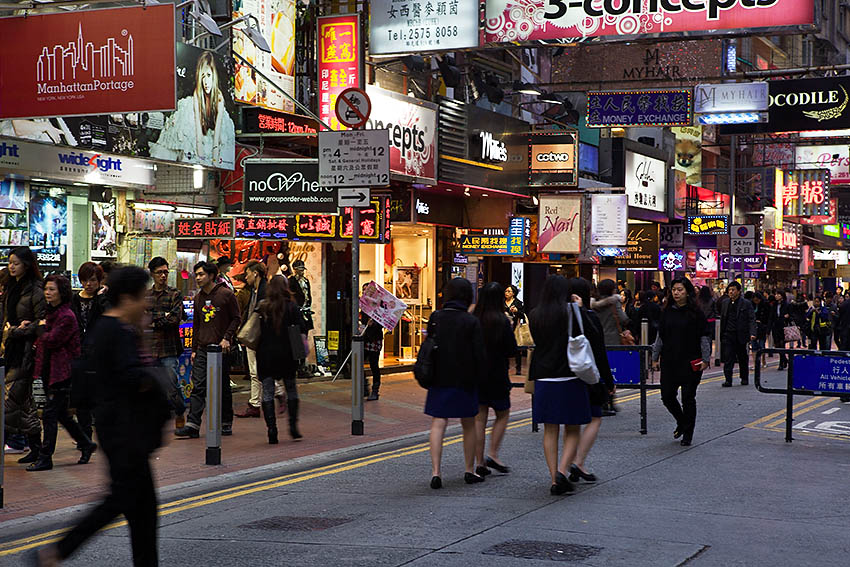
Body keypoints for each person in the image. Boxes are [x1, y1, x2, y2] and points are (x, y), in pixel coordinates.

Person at [34, 267, 171, 567]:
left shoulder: (118, 329)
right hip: (123, 433)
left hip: (125, 431)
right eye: (142, 298)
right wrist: (151, 377)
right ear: (127, 299)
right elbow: (130, 378)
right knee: (122, 500)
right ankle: (55, 552)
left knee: (143, 510)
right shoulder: (113, 332)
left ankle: (58, 552)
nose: (146, 304)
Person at [528, 276, 598, 496]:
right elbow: (590, 335)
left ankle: (553, 478)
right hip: (569, 375)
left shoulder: (535, 314)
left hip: (543, 376)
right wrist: (580, 309)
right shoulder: (571, 312)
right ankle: (561, 471)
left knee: (550, 429)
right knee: (573, 427)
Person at [27, 275, 96, 472]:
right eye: (46, 289)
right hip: (49, 369)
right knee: (61, 414)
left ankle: (45, 457)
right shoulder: (50, 312)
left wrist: (40, 329)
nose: (47, 293)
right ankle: (86, 443)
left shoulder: (66, 316)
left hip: (62, 372)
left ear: (62, 292)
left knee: (50, 414)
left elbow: (52, 340)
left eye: (52, 289)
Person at [424, 278, 487, 489]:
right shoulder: (471, 321)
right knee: (468, 424)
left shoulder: (436, 317)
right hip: (465, 378)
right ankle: (469, 470)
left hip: (439, 376)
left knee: (438, 422)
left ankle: (436, 472)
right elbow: (479, 354)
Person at [176, 262, 241, 439]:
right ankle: (193, 424)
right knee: (198, 386)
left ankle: (225, 422)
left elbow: (236, 318)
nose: (197, 278)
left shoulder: (226, 294)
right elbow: (196, 325)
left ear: (211, 275)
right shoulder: (198, 298)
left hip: (221, 349)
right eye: (196, 274)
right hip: (202, 349)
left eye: (201, 274)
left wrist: (227, 338)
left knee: (222, 386)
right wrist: (194, 349)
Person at [149, 50, 235, 168]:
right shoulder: (197, 95)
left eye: (208, 75)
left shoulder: (219, 98)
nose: (205, 82)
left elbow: (217, 135)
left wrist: (215, 161)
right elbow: (198, 132)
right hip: (198, 134)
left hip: (212, 136)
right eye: (202, 76)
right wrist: (200, 157)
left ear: (214, 76)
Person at [651, 277, 711, 447]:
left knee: (688, 398)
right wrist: (655, 357)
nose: (676, 293)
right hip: (670, 361)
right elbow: (660, 337)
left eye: (680, 290)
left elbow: (704, 336)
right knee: (667, 396)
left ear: (687, 292)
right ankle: (682, 421)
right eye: (674, 290)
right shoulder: (667, 311)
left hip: (690, 361)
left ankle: (688, 433)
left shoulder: (696, 313)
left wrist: (706, 359)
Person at [569, 277, 616, 484]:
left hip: (566, 375)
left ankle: (567, 463)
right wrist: (609, 381)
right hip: (588, 375)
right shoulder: (589, 317)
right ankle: (578, 462)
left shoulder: (560, 317)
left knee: (572, 423)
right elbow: (599, 352)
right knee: (595, 417)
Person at [4, 247, 46, 465]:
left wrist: (17, 331)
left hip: (25, 353)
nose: (11, 266)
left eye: (16, 263)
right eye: (10, 262)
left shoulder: (36, 290)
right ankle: (37, 448)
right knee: (25, 405)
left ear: (27, 265)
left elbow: (42, 322)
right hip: (10, 350)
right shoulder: (12, 286)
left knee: (9, 403)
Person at [473, 282, 517, 478]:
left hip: (478, 373)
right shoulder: (502, 321)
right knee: (503, 414)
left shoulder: (474, 319)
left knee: (479, 418)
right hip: (498, 373)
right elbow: (511, 350)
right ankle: (493, 453)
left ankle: (479, 461)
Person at [255, 276, 306, 443]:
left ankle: (272, 430)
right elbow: (301, 328)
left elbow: (255, 330)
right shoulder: (292, 307)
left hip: (266, 354)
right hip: (287, 354)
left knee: (268, 392)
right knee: (291, 389)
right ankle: (293, 426)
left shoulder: (262, 307)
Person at [70, 261, 107, 450]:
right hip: (79, 354)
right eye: (84, 280)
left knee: (99, 399)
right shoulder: (75, 299)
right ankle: (85, 438)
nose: (88, 284)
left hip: (99, 355)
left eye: (92, 280)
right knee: (82, 400)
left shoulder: (103, 299)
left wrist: (102, 297)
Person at [146, 257, 186, 429]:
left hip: (168, 348)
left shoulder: (174, 294)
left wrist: (154, 322)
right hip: (150, 348)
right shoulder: (146, 296)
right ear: (152, 274)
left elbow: (175, 319)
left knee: (172, 384)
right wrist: (163, 316)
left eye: (165, 272)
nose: (163, 276)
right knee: (151, 386)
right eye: (159, 272)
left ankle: (179, 411)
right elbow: (142, 318)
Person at [236, 260, 267, 419]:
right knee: (255, 372)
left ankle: (275, 394)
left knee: (259, 371)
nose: (246, 277)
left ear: (255, 273)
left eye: (247, 274)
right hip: (253, 335)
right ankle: (255, 404)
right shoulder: (253, 291)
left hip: (260, 336)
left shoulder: (265, 291)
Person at [718, 282, 756, 387]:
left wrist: (752, 332)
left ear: (739, 291)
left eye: (733, 290)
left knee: (742, 357)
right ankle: (728, 379)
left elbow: (751, 319)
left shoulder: (746, 303)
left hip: (741, 335)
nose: (731, 292)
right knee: (728, 358)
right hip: (728, 334)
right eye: (729, 290)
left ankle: (744, 378)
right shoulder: (725, 303)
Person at [361, 285, 384, 401]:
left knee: (374, 365)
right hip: (365, 338)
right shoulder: (364, 306)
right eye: (364, 290)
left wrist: (374, 323)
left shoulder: (380, 306)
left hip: (375, 339)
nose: (366, 293)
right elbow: (363, 321)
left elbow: (383, 322)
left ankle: (375, 390)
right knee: (359, 363)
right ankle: (364, 386)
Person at [592, 279, 631, 347]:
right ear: (612, 290)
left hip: (597, 339)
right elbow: (623, 319)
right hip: (613, 339)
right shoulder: (614, 302)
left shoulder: (593, 304)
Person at [504, 284, 525, 375]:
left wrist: (516, 311)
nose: (506, 293)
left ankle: (518, 368)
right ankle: (505, 366)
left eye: (509, 291)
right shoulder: (502, 302)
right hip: (504, 327)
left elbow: (523, 315)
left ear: (513, 293)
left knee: (517, 348)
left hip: (515, 327)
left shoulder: (518, 303)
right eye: (506, 291)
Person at [288, 259, 314, 332]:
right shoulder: (291, 281)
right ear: (295, 270)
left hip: (306, 309)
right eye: (300, 270)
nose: (302, 272)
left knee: (306, 329)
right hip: (297, 310)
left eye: (303, 270)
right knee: (297, 332)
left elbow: (308, 294)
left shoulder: (305, 281)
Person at [769, 291, 792, 370]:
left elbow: (791, 314)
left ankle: (781, 363)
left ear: (782, 296)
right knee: (777, 345)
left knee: (782, 344)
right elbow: (771, 317)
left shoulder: (787, 304)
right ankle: (785, 360)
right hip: (775, 327)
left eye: (778, 294)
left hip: (783, 327)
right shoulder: (774, 305)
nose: (776, 296)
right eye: (776, 294)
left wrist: (787, 316)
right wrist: (769, 328)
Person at [752, 292, 770, 368]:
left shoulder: (765, 305)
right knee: (753, 346)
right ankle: (755, 363)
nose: (756, 301)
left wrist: (763, 323)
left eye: (757, 300)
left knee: (761, 345)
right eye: (754, 300)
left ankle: (763, 361)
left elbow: (768, 317)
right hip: (753, 327)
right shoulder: (751, 305)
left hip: (762, 328)